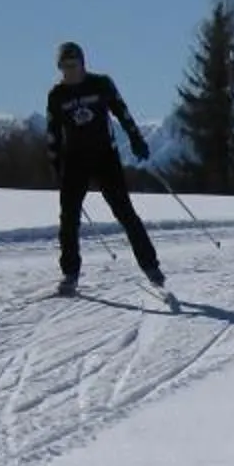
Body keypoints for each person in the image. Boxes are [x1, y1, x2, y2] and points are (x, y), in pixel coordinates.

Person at [44, 40, 165, 295]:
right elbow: (52, 132)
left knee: (124, 212)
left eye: (73, 65)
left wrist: (135, 137)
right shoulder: (57, 95)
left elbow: (122, 112)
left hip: (104, 157)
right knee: (68, 218)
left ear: (83, 64)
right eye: (64, 67)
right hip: (74, 160)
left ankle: (150, 265)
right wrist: (55, 162)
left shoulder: (101, 84)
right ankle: (70, 273)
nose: (69, 71)